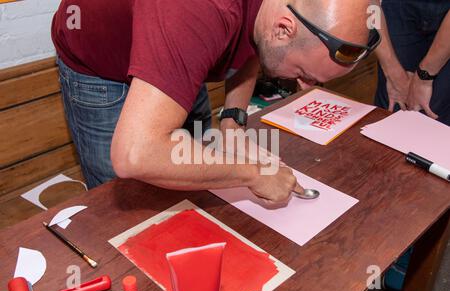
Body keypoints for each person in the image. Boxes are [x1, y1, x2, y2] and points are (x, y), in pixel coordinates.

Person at [52, 0, 378, 205]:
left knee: (192, 180)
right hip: (101, 66)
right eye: (305, 73)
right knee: (126, 203)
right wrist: (252, 173)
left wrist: (233, 123)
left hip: (179, 47)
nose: (304, 86)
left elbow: (256, 39)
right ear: (284, 29)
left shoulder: (272, 20)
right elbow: (135, 154)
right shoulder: (198, 10)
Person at [375, 0, 450, 291]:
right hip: (396, 6)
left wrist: (424, 76)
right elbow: (367, 6)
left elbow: (424, 82)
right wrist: (393, 72)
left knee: (435, 118)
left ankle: (421, 245)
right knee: (390, 114)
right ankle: (382, 234)